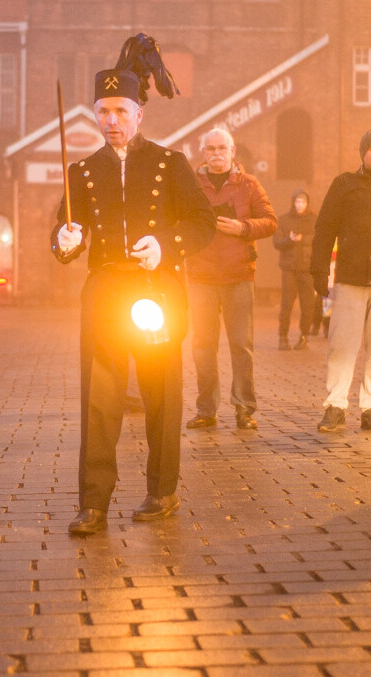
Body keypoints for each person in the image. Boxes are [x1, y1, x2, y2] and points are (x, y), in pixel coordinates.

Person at [52, 33, 215, 536]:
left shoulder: (169, 164)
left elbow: (201, 223)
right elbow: (64, 240)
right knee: (99, 399)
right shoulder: (81, 172)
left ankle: (161, 490)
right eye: (103, 112)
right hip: (104, 293)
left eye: (120, 110)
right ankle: (93, 502)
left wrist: (165, 245)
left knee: (161, 393)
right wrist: (65, 239)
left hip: (157, 292)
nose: (111, 121)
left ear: (139, 113)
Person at [311, 127, 371, 433]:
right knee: (342, 345)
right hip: (351, 278)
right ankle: (335, 406)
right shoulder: (344, 184)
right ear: (363, 154)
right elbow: (325, 228)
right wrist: (319, 269)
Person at [184, 128, 276, 432]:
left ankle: (244, 408)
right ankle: (206, 408)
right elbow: (177, 220)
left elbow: (271, 221)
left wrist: (244, 227)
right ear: (203, 152)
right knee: (202, 345)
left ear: (233, 150)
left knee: (241, 345)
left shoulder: (249, 185)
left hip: (238, 275)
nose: (216, 154)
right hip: (201, 276)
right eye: (210, 149)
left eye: (222, 148)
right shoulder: (191, 185)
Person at [274, 188, 317, 351]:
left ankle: (304, 337)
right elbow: (277, 243)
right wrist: (289, 240)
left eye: (303, 202)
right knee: (286, 304)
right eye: (297, 202)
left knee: (308, 305)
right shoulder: (284, 220)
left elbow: (319, 240)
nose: (300, 205)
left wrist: (302, 239)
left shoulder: (314, 220)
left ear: (307, 203)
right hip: (289, 269)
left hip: (307, 269)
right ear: (293, 203)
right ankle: (282, 337)